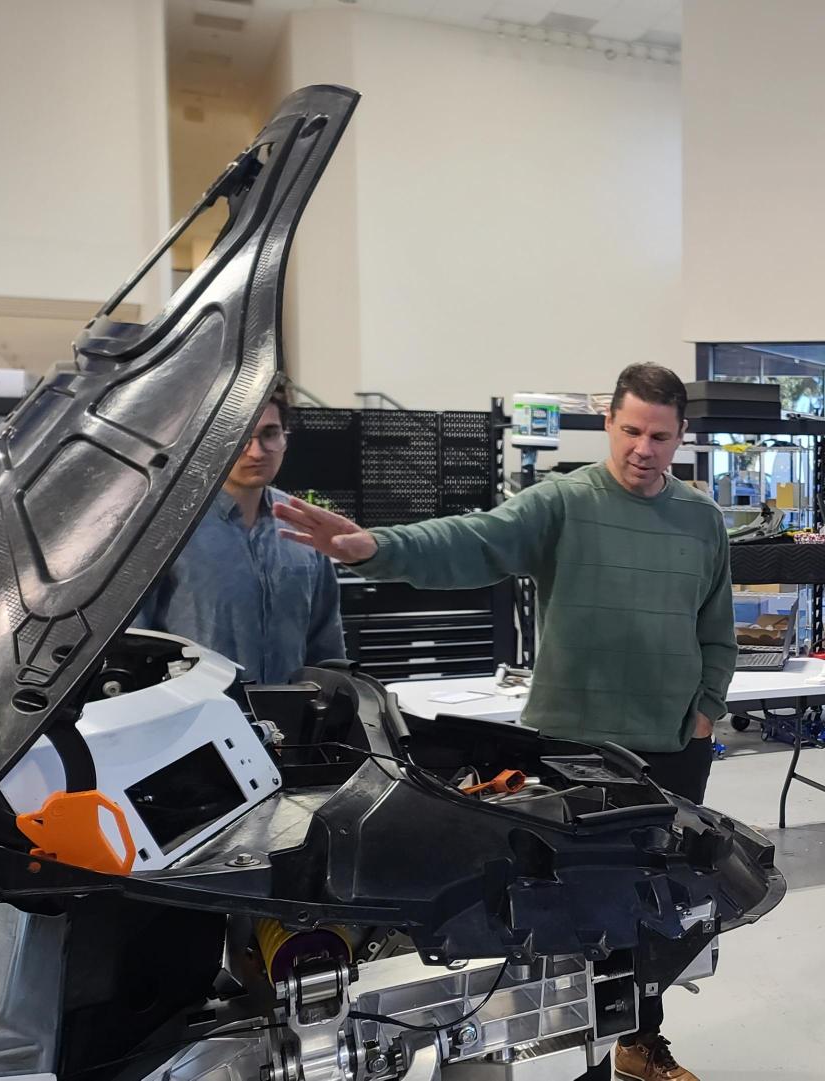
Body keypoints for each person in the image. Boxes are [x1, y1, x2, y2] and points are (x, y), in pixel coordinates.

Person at [273, 362, 731, 1081]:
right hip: (577, 747)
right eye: (632, 431)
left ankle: (640, 1043)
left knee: (659, 912)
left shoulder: (701, 519)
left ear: (681, 437)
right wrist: (375, 547)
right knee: (572, 920)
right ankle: (578, 1061)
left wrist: (706, 710)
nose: (644, 449)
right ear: (609, 422)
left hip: (671, 747)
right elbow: (475, 540)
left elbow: (717, 626)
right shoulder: (564, 503)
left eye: (660, 436)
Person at [134, 381, 344, 682]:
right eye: (241, 436)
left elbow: (325, 645)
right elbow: (134, 647)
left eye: (269, 434)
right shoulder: (168, 528)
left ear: (285, 438)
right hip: (197, 709)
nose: (256, 452)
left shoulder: (302, 525)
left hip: (288, 709)